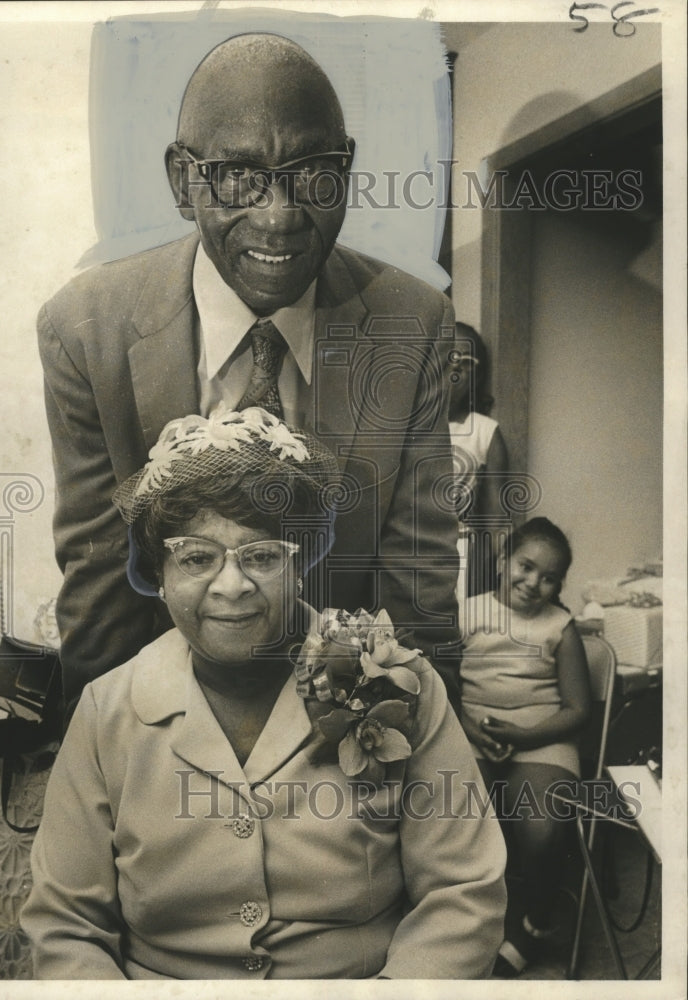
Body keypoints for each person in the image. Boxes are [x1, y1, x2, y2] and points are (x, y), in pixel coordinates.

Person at [37, 31, 460, 715]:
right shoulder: (87, 330)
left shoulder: (412, 323)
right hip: (169, 721)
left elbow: (421, 583)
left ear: (347, 169)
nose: (280, 216)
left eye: (312, 173)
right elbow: (100, 591)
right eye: (239, 176)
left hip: (343, 731)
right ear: (183, 179)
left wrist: (416, 762)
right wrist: (108, 776)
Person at [20, 407, 506, 980]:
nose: (232, 585)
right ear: (159, 575)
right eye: (196, 558)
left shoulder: (402, 684)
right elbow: (67, 927)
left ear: (300, 561)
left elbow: (461, 894)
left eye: (262, 555)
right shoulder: (108, 711)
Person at [458, 517, 591, 976]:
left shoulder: (560, 626)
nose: (534, 583)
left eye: (549, 577)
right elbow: (446, 690)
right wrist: (471, 729)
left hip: (543, 740)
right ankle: (459, 920)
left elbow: (577, 709)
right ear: (501, 561)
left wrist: (524, 737)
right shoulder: (467, 612)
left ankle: (534, 923)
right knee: (445, 813)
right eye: (526, 566)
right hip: (473, 733)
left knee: (543, 826)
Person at [446, 322, 510, 604]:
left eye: (465, 360)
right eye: (448, 356)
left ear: (477, 373)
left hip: (462, 550)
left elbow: (498, 518)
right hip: (409, 545)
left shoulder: (485, 431)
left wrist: (497, 567)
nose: (455, 367)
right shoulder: (410, 426)